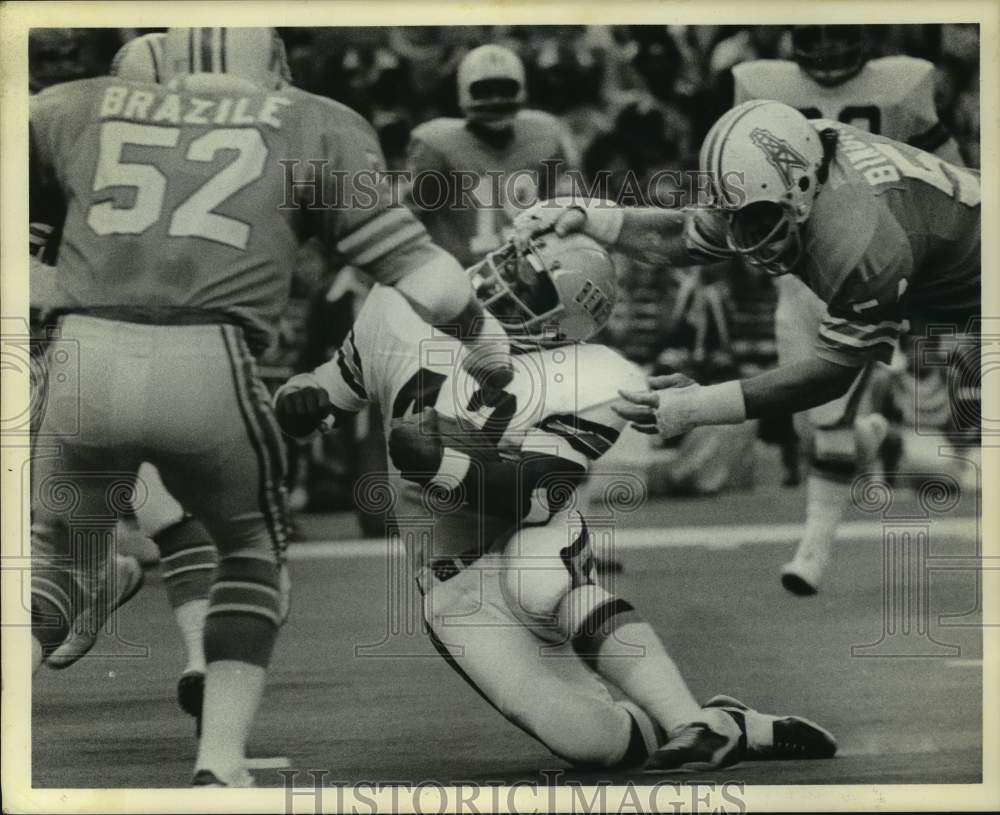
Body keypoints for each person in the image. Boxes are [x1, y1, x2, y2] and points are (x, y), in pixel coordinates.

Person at [29, 26, 512, 787]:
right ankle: (220, 762)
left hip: (81, 353)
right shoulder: (312, 120)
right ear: (272, 68)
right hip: (207, 356)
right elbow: (431, 281)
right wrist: (484, 341)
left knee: (56, 561)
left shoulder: (70, 106)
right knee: (251, 554)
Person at [273, 233, 836, 771]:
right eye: (517, 264)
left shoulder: (594, 378)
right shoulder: (401, 301)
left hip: (525, 531)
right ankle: (731, 723)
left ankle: (691, 722)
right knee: (598, 745)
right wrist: (300, 397)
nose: (505, 283)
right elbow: (331, 388)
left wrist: (445, 464)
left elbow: (540, 495)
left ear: (562, 332)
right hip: (451, 579)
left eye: (533, 288)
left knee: (539, 582)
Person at [511, 100, 979, 520]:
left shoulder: (859, 237)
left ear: (800, 189)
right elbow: (689, 236)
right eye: (733, 215)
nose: (742, 234)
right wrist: (594, 217)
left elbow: (830, 374)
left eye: (755, 218)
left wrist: (697, 405)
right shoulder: (789, 166)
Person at [730, 24, 968, 593]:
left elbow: (950, 175)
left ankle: (812, 551)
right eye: (818, 36)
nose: (830, 50)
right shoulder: (757, 83)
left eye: (841, 35)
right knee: (809, 428)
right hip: (798, 280)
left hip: (874, 263)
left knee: (830, 423)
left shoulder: (904, 82)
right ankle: (876, 439)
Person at [406, 43, 579, 269]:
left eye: (505, 89)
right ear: (464, 90)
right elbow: (407, 219)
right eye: (484, 90)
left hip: (529, 269)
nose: (496, 99)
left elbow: (564, 206)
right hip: (461, 274)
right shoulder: (435, 144)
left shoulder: (545, 134)